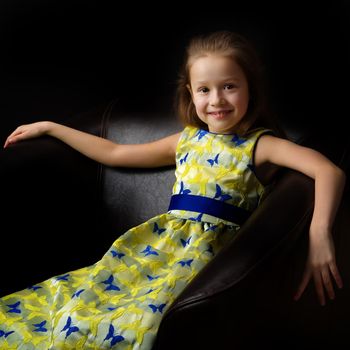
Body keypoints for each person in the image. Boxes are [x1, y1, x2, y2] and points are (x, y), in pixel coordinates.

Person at [1, 30, 346, 349]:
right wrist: (51, 126)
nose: (217, 100)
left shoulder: (260, 145)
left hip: (204, 260)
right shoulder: (186, 139)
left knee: (141, 324)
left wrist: (319, 234)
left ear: (250, 87)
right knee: (79, 306)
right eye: (204, 89)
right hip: (155, 248)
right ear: (191, 94)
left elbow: (328, 170)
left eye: (229, 86)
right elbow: (116, 152)